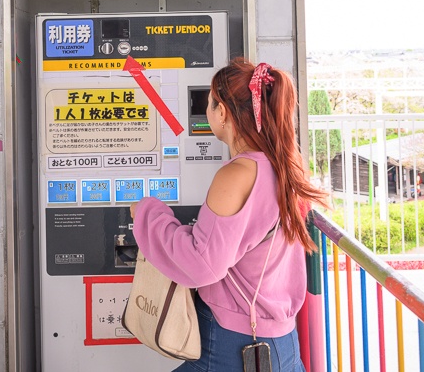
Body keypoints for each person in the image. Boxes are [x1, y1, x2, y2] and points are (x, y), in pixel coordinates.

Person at [130, 58, 329, 371]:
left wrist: (147, 213)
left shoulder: (237, 174)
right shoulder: (288, 165)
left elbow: (202, 264)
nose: (207, 112)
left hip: (232, 343)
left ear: (221, 111)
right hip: (280, 342)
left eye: (208, 103)